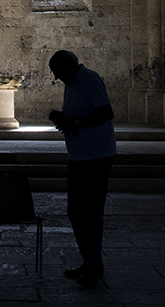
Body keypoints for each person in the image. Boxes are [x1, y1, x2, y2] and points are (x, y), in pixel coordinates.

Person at [48, 49, 116, 289]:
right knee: (76, 212)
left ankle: (94, 267)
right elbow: (80, 113)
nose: (57, 79)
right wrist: (64, 119)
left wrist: (74, 122)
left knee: (91, 214)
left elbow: (106, 113)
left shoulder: (90, 79)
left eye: (56, 73)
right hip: (77, 156)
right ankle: (88, 262)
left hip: (96, 157)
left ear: (67, 67)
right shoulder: (72, 82)